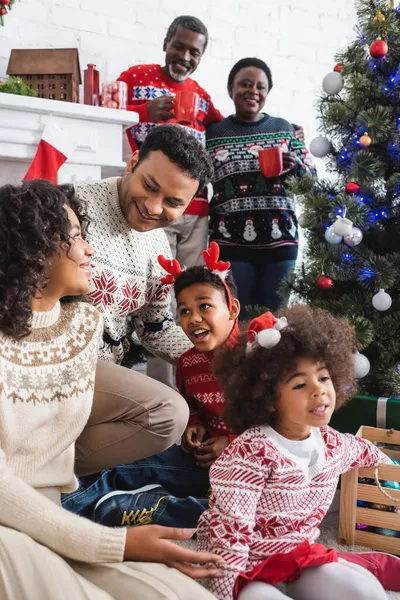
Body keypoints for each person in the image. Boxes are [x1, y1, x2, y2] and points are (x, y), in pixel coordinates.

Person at [0, 180, 221, 600]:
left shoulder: (83, 326)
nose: (89, 250)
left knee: (183, 595)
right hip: (6, 517)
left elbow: (156, 329)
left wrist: (220, 355)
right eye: (77, 237)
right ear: (32, 247)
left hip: (52, 507)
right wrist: (115, 544)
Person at [196, 305, 391, 600]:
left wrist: (394, 476)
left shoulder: (334, 444)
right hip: (247, 565)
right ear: (269, 400)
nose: (319, 390)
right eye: (300, 384)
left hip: (298, 558)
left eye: (324, 378)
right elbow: (230, 533)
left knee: (368, 593)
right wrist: (223, 592)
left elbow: (367, 452)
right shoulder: (250, 454)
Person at [62, 243, 240, 529]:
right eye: (183, 311)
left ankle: (156, 508)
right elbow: (192, 405)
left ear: (232, 310)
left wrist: (233, 444)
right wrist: (194, 424)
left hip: (254, 467)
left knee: (237, 508)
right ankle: (63, 507)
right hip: (202, 461)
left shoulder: (256, 355)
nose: (193, 318)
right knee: (126, 468)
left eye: (204, 306)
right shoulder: (189, 362)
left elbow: (280, 424)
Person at [70, 124, 213, 478]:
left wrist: (216, 358)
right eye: (149, 186)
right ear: (133, 161)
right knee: (168, 413)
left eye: (173, 202)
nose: (153, 207)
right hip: (54, 371)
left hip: (102, 383)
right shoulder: (72, 207)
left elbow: (156, 327)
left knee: (171, 425)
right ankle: (42, 470)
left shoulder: (158, 247)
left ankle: (52, 469)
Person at [207, 58, 317, 317]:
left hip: (281, 243)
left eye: (261, 86)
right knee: (237, 321)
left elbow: (311, 180)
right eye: (245, 84)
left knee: (274, 325)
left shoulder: (283, 128)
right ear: (230, 88)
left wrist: (295, 167)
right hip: (230, 245)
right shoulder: (213, 134)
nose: (253, 91)